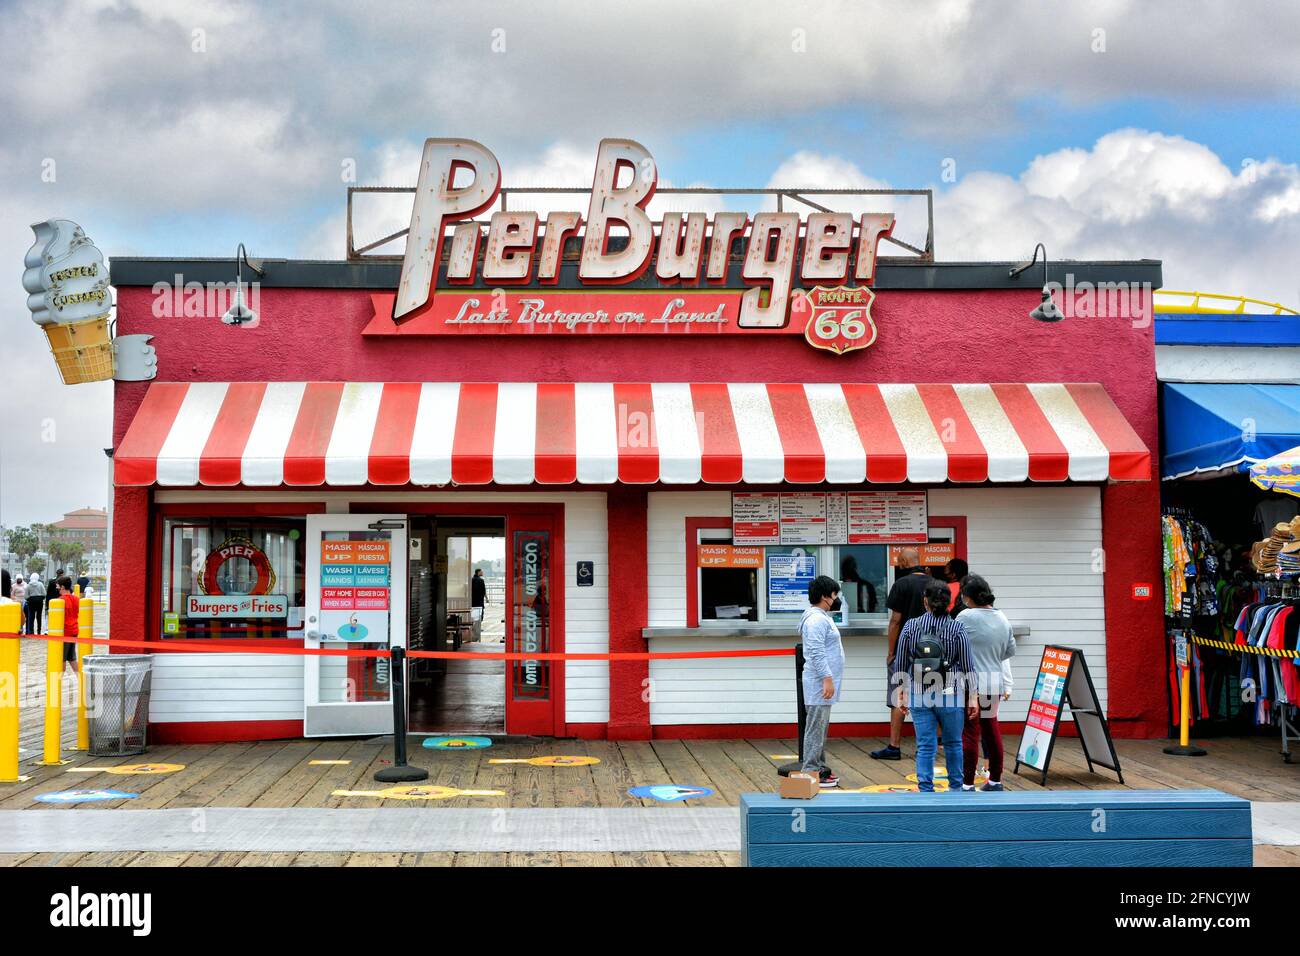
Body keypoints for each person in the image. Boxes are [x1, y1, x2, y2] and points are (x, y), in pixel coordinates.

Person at [892, 580, 978, 792]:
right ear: (949, 603)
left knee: (925, 745)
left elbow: (901, 663)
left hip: (919, 693)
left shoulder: (911, 626)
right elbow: (968, 666)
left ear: (925, 601)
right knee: (953, 744)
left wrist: (901, 694)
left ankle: (926, 789)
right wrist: (973, 696)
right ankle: (956, 789)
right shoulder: (957, 628)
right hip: (951, 692)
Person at [955, 574, 1016, 792]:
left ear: (967, 596)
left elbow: (953, 646)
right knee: (991, 729)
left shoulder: (965, 616)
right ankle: (995, 781)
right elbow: (1009, 651)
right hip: (994, 682)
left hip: (971, 682)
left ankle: (967, 783)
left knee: (970, 731)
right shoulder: (1002, 617)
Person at [871, 548, 931, 760]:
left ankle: (894, 747)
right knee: (928, 697)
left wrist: (890, 652)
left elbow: (896, 620)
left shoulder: (901, 584)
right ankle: (926, 747)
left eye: (898, 561)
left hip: (905, 651)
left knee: (899, 695)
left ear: (905, 562)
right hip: (931, 651)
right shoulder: (934, 584)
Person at [797, 575, 844, 788]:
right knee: (815, 728)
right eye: (834, 595)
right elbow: (816, 653)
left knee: (820, 727)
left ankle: (821, 769)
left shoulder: (821, 617)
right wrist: (827, 678)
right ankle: (811, 771)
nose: (836, 598)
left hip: (823, 683)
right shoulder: (816, 620)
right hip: (819, 683)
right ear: (825, 596)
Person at [56, 576, 80, 669]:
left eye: (57, 586)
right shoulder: (76, 599)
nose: (57, 588)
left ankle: (58, 681)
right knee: (72, 658)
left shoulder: (60, 600)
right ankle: (82, 681)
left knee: (61, 659)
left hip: (65, 632)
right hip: (74, 631)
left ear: (62, 587)